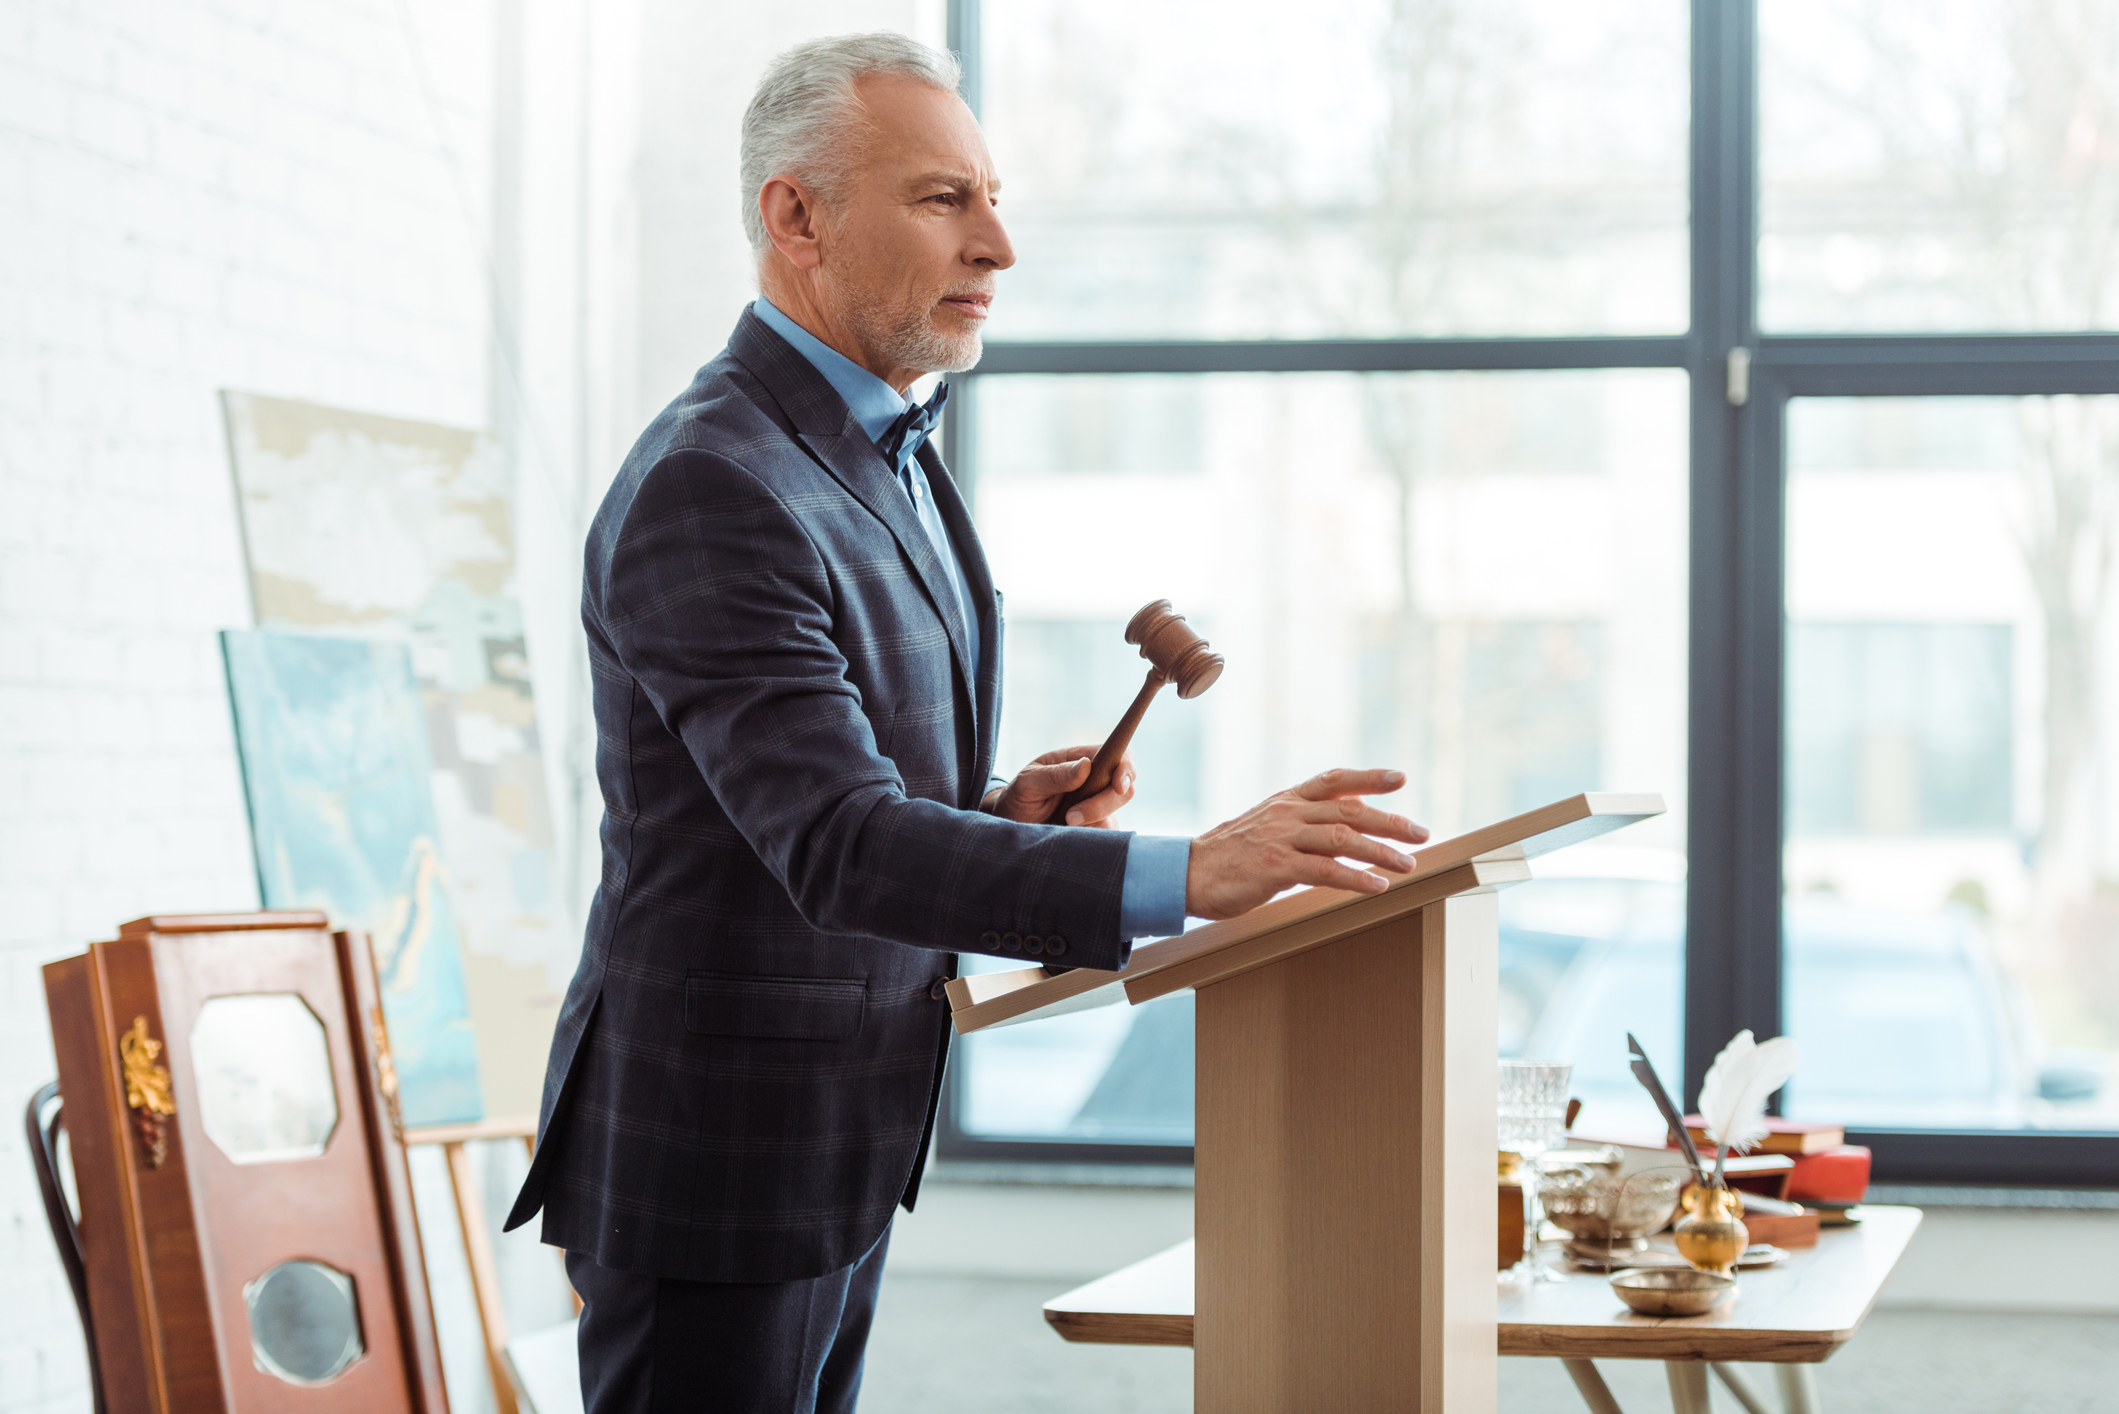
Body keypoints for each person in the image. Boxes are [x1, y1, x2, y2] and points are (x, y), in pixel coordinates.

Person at [503, 31, 1430, 1414]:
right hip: (716, 1160)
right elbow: (838, 843)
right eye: (945, 199)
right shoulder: (715, 485)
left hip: (836, 1137)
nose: (998, 244)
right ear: (795, 216)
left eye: (994, 197)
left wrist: (998, 813)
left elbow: (837, 794)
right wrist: (1195, 872)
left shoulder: (888, 448)